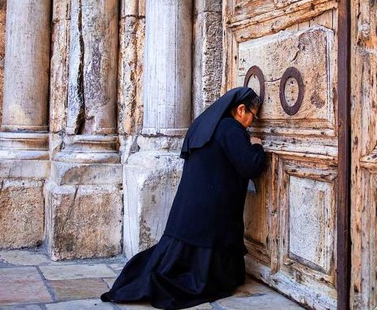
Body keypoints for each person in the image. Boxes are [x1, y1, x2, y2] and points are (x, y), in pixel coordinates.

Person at [101, 87, 265, 309]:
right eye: (252, 117)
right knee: (199, 278)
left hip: (191, 205)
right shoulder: (230, 128)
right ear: (241, 109)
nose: (250, 123)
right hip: (212, 209)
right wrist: (257, 148)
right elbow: (249, 166)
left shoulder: (205, 125)